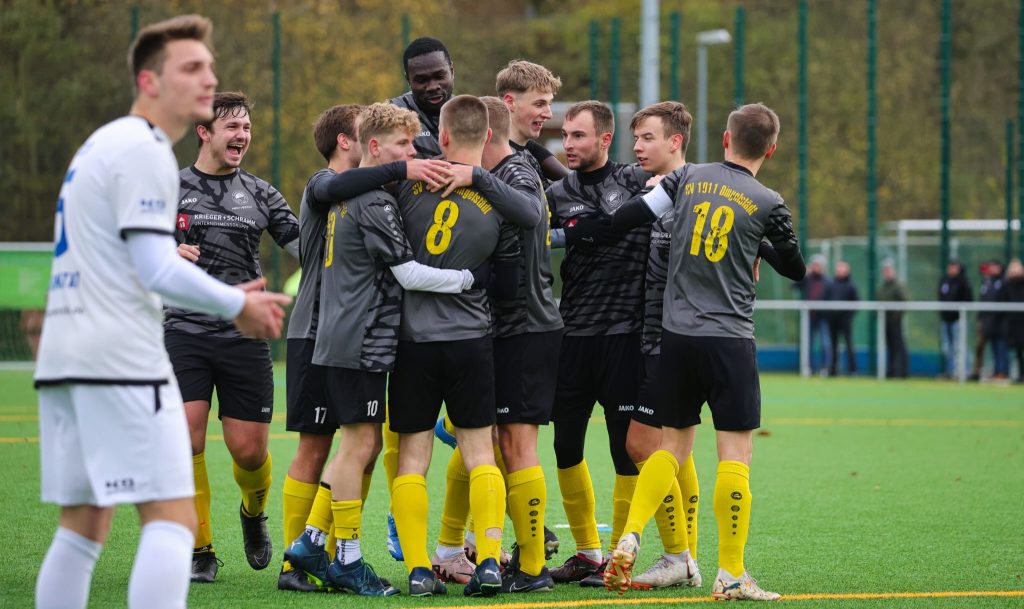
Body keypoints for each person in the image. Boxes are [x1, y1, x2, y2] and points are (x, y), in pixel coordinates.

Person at [33, 15, 291, 609]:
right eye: (192, 68)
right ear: (150, 80)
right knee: (173, 520)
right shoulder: (146, 151)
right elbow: (154, 265)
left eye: (210, 67)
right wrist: (238, 304)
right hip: (120, 356)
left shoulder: (103, 144)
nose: (209, 80)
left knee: (82, 530)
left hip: (71, 353)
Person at [601, 103, 805, 601]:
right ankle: (730, 574)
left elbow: (631, 216)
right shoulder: (769, 201)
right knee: (735, 453)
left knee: (670, 448)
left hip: (675, 337)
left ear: (726, 139)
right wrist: (756, 244)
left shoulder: (687, 177)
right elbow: (795, 268)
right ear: (771, 149)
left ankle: (630, 534)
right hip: (729, 339)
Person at [283, 102, 487, 596]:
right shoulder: (371, 200)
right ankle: (345, 559)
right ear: (373, 147)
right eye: (402, 145)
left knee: (362, 446)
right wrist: (468, 279)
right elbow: (408, 274)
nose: (411, 153)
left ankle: (312, 542)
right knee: (358, 447)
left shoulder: (355, 194)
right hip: (358, 339)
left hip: (346, 337)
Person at [388, 94, 525, 598]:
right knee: (480, 454)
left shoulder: (407, 189)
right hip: (471, 340)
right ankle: (488, 561)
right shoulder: (497, 200)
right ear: (487, 136)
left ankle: (419, 570)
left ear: (441, 137)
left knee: (412, 459)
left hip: (413, 342)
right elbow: (508, 283)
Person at [168, 91, 300, 582]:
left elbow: (304, 246)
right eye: (232, 127)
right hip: (183, 329)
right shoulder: (169, 187)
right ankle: (199, 548)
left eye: (246, 127)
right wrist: (165, 253)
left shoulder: (262, 193)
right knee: (185, 436)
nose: (242, 135)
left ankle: (253, 512)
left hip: (245, 334)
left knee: (249, 452)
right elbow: (134, 244)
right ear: (204, 132)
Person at [544, 101, 650, 588]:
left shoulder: (634, 180)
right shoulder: (556, 193)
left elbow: (690, 196)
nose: (568, 144)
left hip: (625, 336)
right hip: (573, 334)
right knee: (565, 444)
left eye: (579, 136)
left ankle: (616, 557)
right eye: (565, 135)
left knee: (623, 450)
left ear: (605, 139)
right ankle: (587, 553)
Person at [616, 101, 703, 591]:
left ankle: (676, 556)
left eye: (647, 137)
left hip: (674, 338)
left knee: (643, 445)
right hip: (650, 334)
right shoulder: (644, 184)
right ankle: (686, 558)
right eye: (636, 138)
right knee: (676, 449)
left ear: (675, 141)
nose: (638, 146)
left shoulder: (695, 192)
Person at [496, 59, 569, 185]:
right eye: (539, 104)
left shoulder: (531, 151)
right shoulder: (494, 159)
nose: (549, 115)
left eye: (549, 104)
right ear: (510, 102)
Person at [390, 37, 455, 159]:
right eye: (421, 80)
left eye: (439, 76)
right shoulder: (391, 117)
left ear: (452, 71)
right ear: (408, 81)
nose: (432, 87)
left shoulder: (472, 112)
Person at [795, 255, 831, 375]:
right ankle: (808, 367)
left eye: (818, 265)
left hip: (822, 318)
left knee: (825, 343)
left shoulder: (828, 282)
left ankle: (824, 368)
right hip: (808, 317)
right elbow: (794, 285)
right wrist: (804, 273)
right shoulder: (807, 279)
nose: (816, 267)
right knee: (808, 344)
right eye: (814, 265)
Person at [937, 260, 972, 378]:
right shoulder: (944, 281)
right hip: (945, 319)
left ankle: (964, 372)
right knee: (947, 348)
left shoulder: (963, 281)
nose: (951, 269)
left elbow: (968, 299)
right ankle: (952, 372)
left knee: (960, 346)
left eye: (954, 266)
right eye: (950, 266)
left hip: (958, 319)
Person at [877, 260, 910, 378]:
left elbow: (905, 301)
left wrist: (896, 316)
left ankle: (901, 371)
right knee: (890, 346)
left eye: (889, 270)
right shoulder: (882, 286)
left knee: (898, 346)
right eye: (885, 270)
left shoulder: (898, 285)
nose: (887, 272)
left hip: (896, 321)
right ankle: (892, 370)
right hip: (885, 320)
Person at [978, 260, 1010, 380]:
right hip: (989, 322)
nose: (992, 269)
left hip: (1001, 321)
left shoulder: (1004, 282)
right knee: (994, 348)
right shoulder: (987, 282)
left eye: (995, 267)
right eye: (991, 267)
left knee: (1001, 347)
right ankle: (997, 371)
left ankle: (1003, 372)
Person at [828, 260, 858, 376]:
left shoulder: (851, 286)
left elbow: (856, 302)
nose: (840, 270)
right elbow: (825, 299)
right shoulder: (831, 284)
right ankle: (833, 370)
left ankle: (852, 370)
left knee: (849, 345)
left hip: (845, 321)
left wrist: (848, 317)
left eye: (843, 268)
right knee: (833, 346)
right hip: (833, 320)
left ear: (847, 270)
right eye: (839, 268)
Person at [1003, 258, 1024, 383]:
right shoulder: (1007, 284)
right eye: (1013, 268)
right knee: (1017, 351)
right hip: (1013, 323)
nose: (1015, 270)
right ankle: (1018, 374)